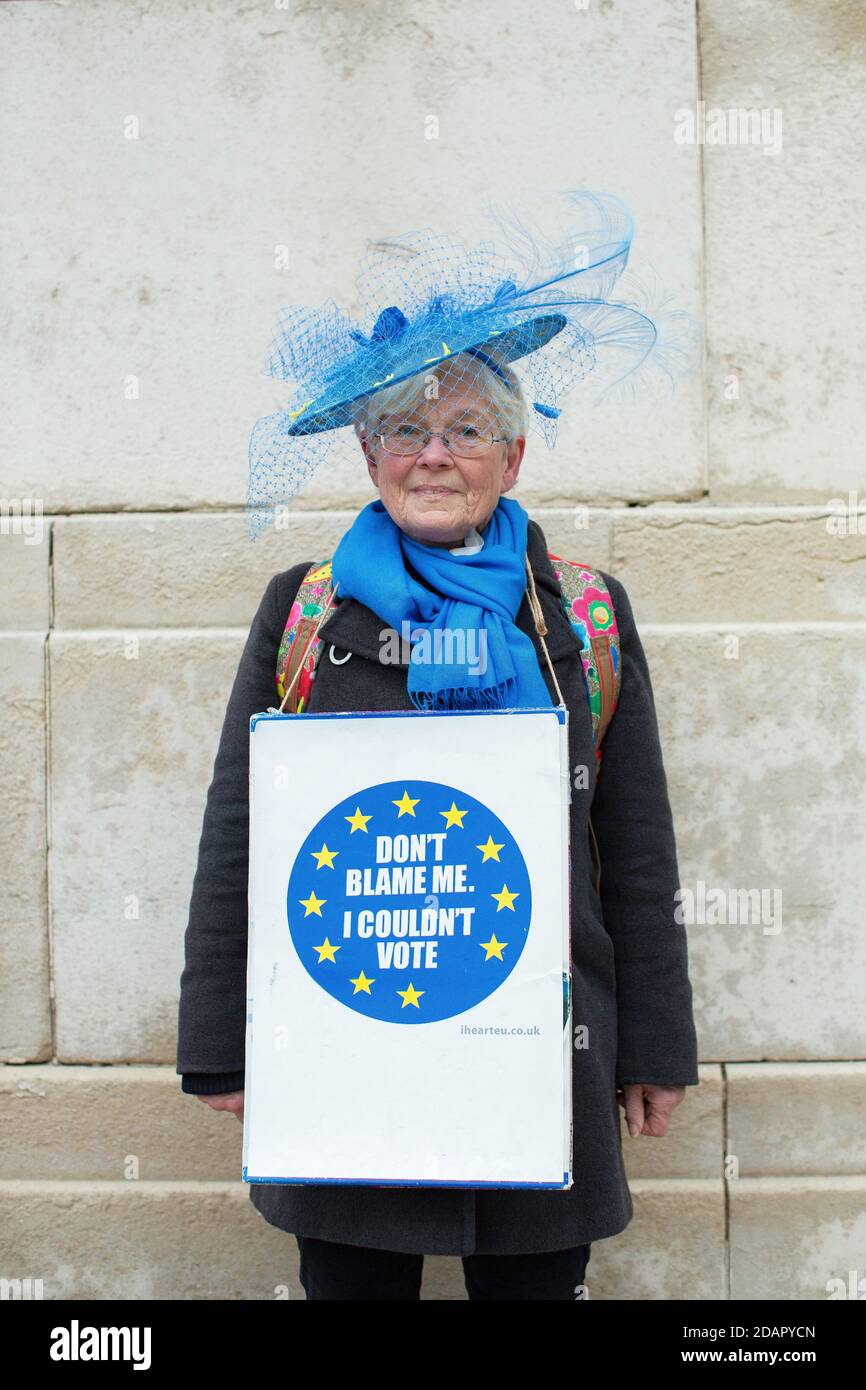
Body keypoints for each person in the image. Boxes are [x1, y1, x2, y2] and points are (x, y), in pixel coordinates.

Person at [176, 189, 700, 1300]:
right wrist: (221, 1042)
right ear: (367, 457)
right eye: (405, 429)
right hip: (353, 1038)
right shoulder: (303, 611)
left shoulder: (582, 616)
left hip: (538, 1045)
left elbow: (635, 847)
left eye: (463, 429)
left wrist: (655, 1048)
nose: (432, 455)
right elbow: (240, 834)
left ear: (510, 458)